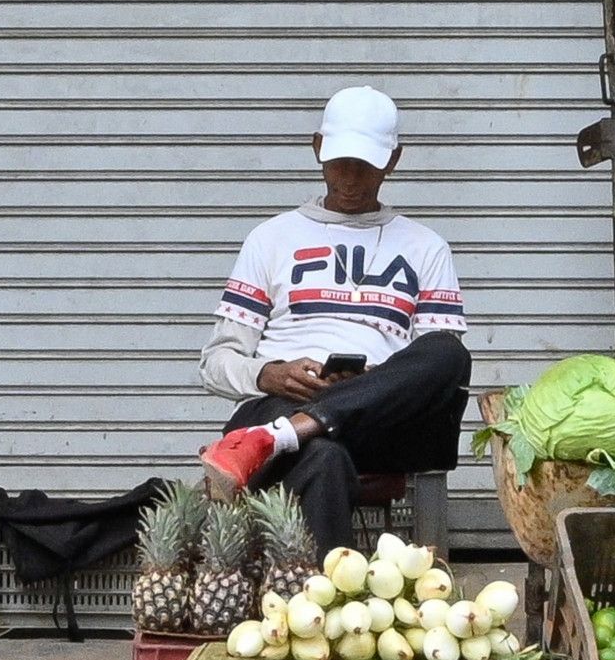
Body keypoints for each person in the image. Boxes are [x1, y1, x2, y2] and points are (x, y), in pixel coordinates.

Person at [196, 87, 472, 550]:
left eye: (365, 165)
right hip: (279, 406)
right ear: (318, 148)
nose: (349, 178)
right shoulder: (271, 238)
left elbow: (434, 373)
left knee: (449, 352)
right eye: (340, 161)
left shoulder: (426, 247)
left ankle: (294, 431)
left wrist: (374, 383)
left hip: (379, 422)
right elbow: (216, 362)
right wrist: (270, 375)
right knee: (324, 459)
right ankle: (327, 614)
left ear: (393, 160)